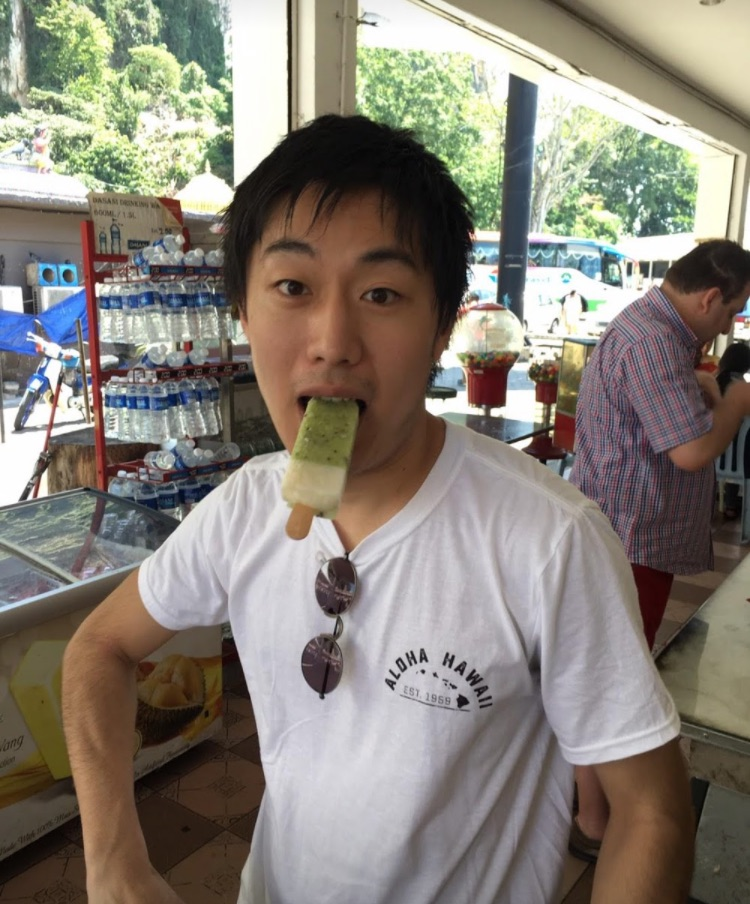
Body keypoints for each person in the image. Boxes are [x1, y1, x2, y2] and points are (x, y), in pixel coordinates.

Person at [62, 114, 694, 904]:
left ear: (440, 329)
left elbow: (652, 812)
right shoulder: (244, 507)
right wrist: (113, 860)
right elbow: (97, 649)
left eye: (382, 294)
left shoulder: (549, 539)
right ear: (243, 312)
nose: (333, 340)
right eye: (292, 287)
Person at [569, 239, 750, 860]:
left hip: (629, 528)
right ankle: (593, 819)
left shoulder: (658, 330)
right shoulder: (654, 343)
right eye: (731, 312)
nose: (727, 326)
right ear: (709, 297)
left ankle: (591, 801)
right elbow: (692, 452)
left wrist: (700, 387)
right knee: (612, 676)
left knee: (611, 668)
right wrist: (735, 404)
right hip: (630, 536)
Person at [715, 340, 750, 517]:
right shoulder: (743, 388)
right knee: (741, 448)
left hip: (713, 457)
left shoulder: (715, 382)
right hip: (741, 463)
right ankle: (731, 505)